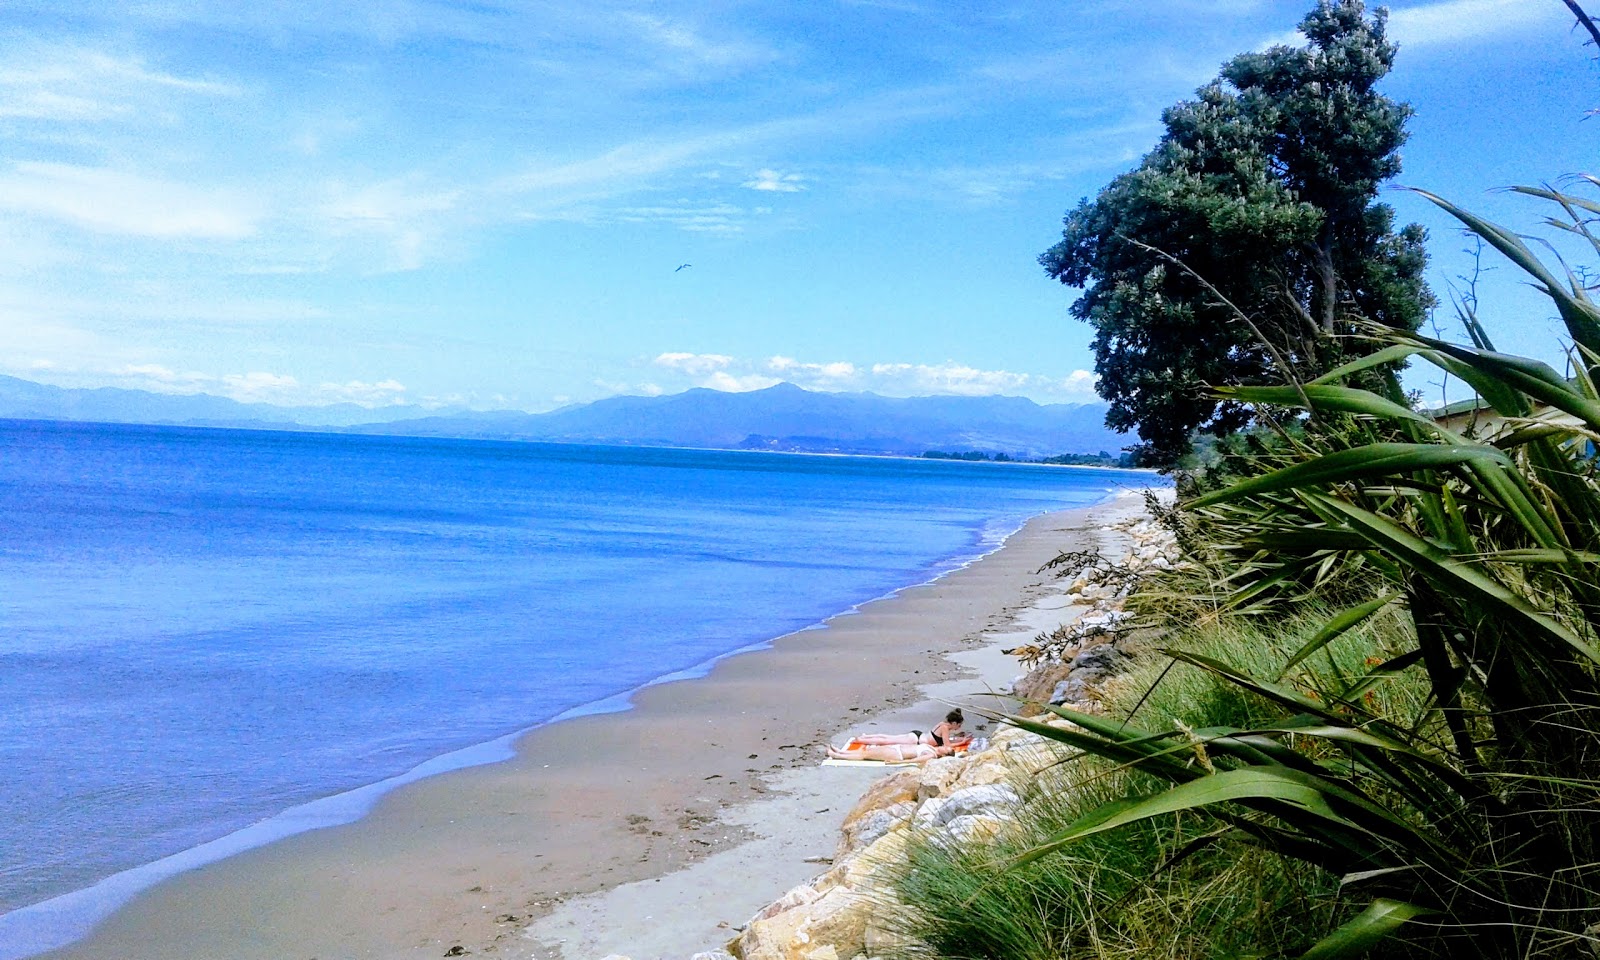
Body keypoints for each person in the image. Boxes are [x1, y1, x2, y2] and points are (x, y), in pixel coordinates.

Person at [847, 709, 968, 749]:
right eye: (958, 725)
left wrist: (958, 739)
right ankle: (860, 740)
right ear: (953, 723)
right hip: (916, 740)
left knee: (889, 738)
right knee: (887, 741)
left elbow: (947, 740)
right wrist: (961, 742)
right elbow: (947, 745)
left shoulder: (943, 724)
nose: (958, 727)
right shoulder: (945, 728)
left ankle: (863, 737)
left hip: (917, 736)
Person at [826, 741, 961, 763]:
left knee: (865, 755)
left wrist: (895, 763)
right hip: (896, 748)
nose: (945, 746)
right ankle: (840, 752)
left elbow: (915, 760)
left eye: (946, 749)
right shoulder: (932, 748)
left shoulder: (932, 754)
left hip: (898, 755)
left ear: (944, 754)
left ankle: (837, 755)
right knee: (867, 751)